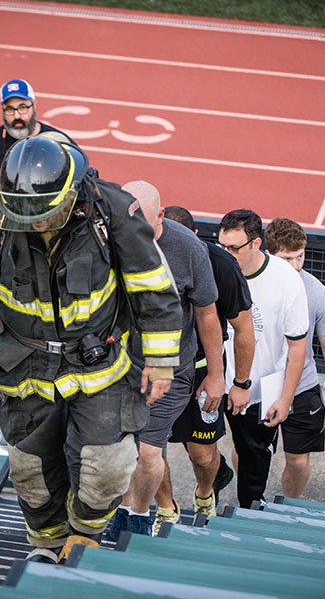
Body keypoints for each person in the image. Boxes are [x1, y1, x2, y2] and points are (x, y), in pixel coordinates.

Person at [0, 137, 182, 563]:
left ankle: (85, 535)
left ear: (72, 194)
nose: (35, 221)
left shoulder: (111, 210)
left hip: (99, 365)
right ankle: (47, 547)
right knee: (31, 473)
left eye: (44, 212)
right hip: (23, 364)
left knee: (108, 466)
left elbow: (153, 285)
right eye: (26, 212)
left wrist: (161, 362)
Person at [106, 182, 223, 539]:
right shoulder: (109, 238)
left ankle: (137, 514)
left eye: (142, 222)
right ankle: (123, 510)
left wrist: (217, 375)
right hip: (117, 365)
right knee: (116, 447)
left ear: (160, 215)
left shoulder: (189, 249)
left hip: (170, 370)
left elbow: (206, 314)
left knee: (146, 450)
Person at [154, 205, 254, 531]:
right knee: (148, 450)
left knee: (202, 454)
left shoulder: (221, 266)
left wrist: (235, 381)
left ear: (193, 239)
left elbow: (244, 327)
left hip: (200, 369)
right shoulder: (141, 252)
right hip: (154, 368)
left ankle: (205, 493)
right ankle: (166, 510)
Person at [218, 209, 309, 508]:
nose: (226, 254)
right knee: (202, 452)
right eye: (222, 246)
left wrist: (285, 399)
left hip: (258, 393)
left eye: (234, 248)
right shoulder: (216, 267)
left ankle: (247, 518)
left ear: (256, 244)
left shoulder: (287, 281)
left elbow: (297, 347)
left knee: (253, 468)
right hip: (215, 380)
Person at [263, 217, 325, 498]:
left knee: (299, 461)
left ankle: (288, 505)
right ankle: (251, 502)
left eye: (299, 257)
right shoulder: (252, 286)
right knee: (248, 452)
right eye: (287, 259)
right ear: (269, 255)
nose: (296, 265)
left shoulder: (316, 292)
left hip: (302, 387)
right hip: (260, 387)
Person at [0, 79, 71, 210]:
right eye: (10, 109)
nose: (17, 116)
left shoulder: (58, 142)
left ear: (34, 105)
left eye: (23, 107)